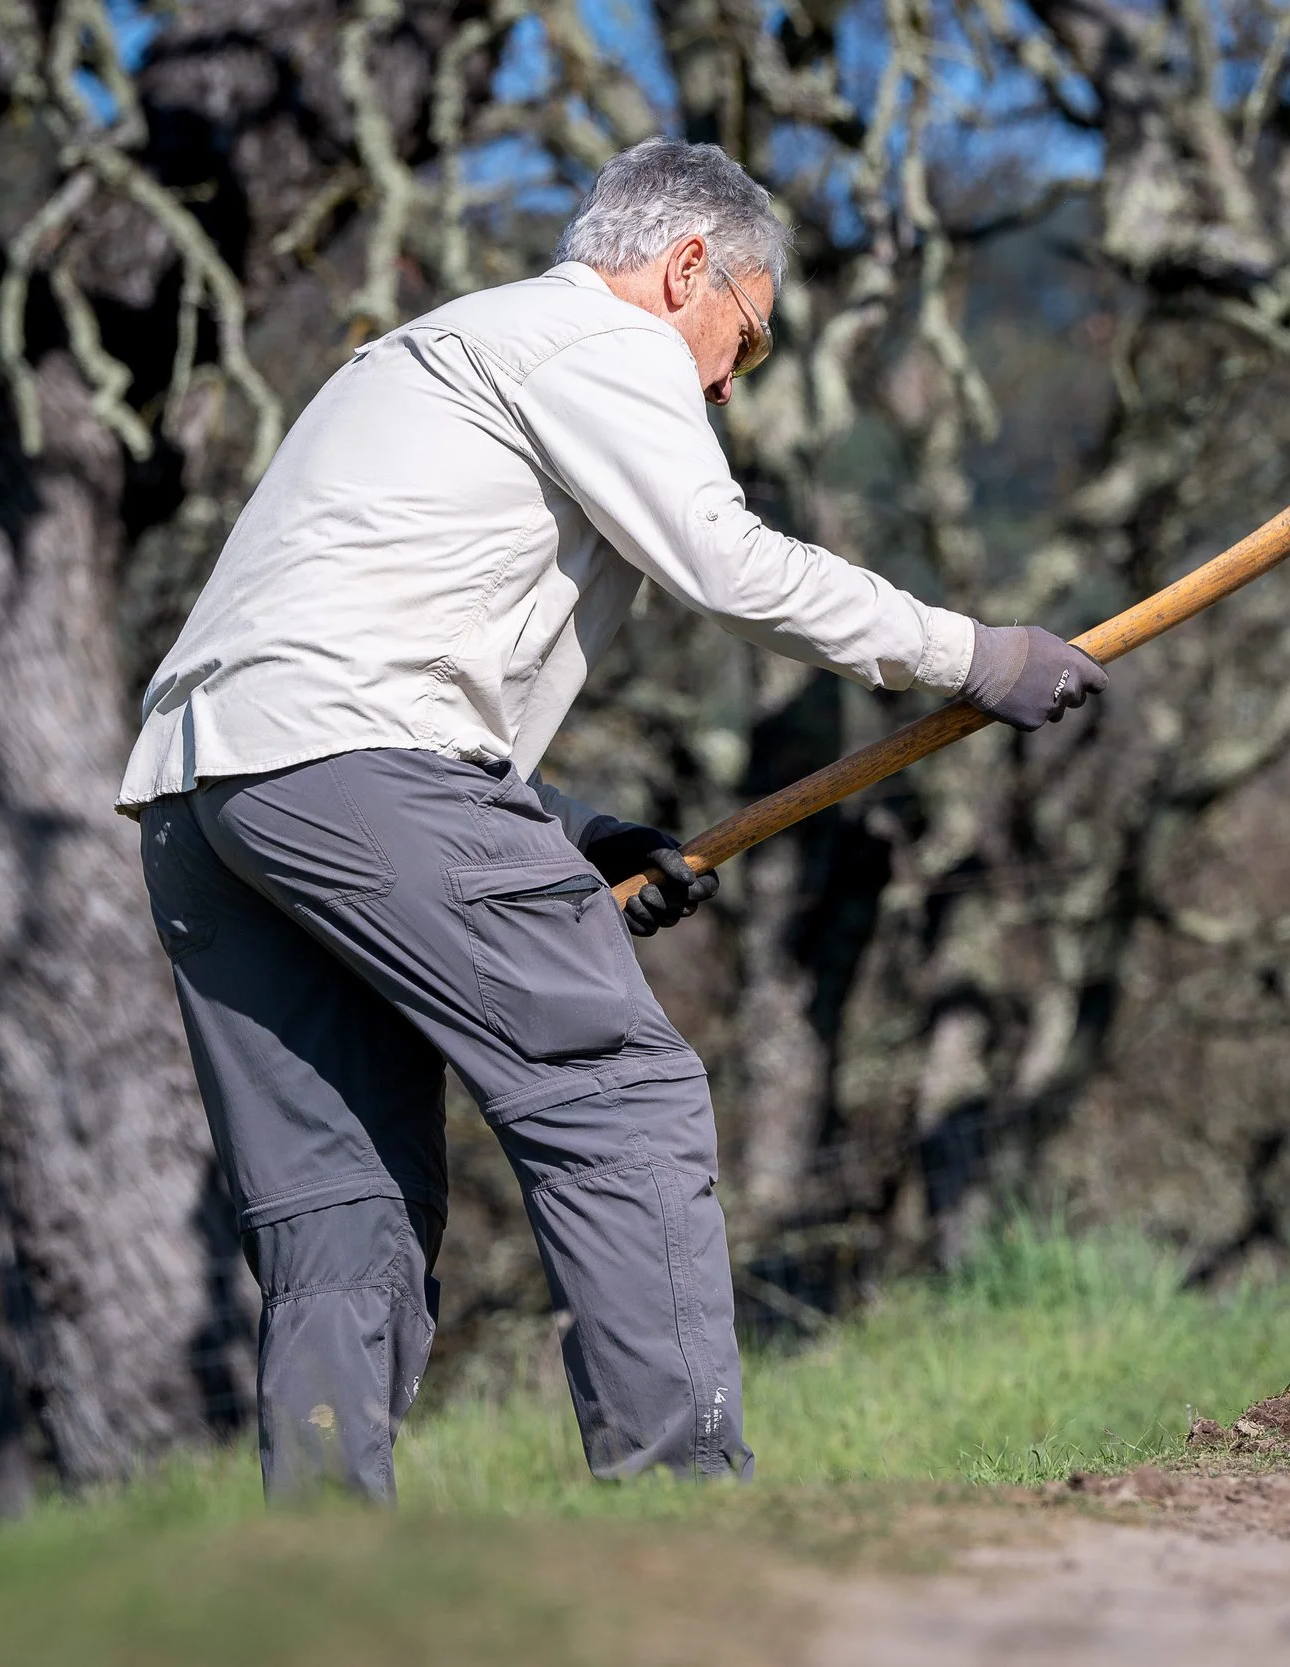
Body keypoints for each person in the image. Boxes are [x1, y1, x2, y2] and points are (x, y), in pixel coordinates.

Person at [118, 137, 1105, 1498]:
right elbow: (725, 558)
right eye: (743, 340)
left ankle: (320, 1572)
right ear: (686, 266)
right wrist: (970, 653)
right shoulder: (601, 339)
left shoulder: (442, 347)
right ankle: (683, 1504)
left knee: (339, 1209)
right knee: (620, 1096)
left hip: (204, 790)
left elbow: (353, 638)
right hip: (362, 766)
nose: (725, 379)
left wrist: (567, 826)